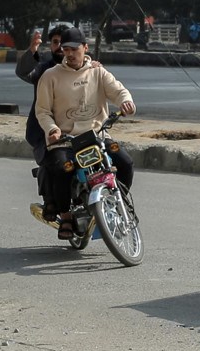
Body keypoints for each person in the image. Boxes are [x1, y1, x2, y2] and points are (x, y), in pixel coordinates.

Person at [34, 34, 137, 240]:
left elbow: (119, 91)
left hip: (97, 136)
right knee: (63, 169)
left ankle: (119, 201)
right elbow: (42, 111)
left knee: (125, 163)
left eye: (74, 48)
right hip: (65, 140)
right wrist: (52, 129)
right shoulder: (50, 76)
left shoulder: (98, 72)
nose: (70, 53)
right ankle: (65, 216)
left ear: (85, 48)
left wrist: (126, 103)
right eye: (66, 49)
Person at [14, 22, 78, 159]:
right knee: (57, 166)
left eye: (64, 43)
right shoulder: (43, 70)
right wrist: (32, 52)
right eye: (55, 42)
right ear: (51, 45)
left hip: (76, 131)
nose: (60, 47)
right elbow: (23, 72)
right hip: (44, 134)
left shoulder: (83, 70)